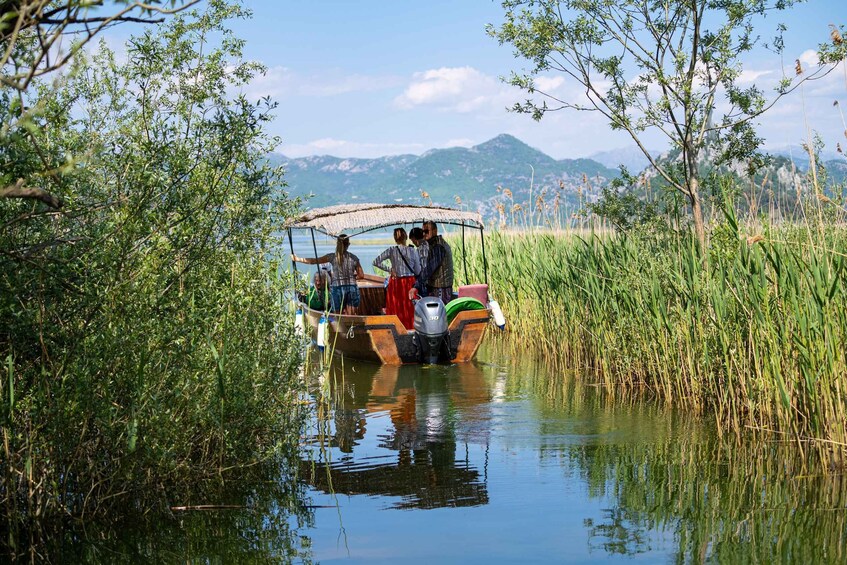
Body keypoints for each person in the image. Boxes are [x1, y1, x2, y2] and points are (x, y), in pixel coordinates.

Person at [292, 234, 364, 314]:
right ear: (348, 244)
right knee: (351, 316)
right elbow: (361, 275)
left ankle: (337, 325)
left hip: (337, 288)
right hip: (351, 288)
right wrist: (353, 277)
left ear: (337, 244)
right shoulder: (354, 258)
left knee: (337, 316)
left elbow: (313, 261)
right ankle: (350, 325)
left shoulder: (332, 257)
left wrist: (297, 259)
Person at [373, 227, 420, 329]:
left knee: (396, 308)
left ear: (395, 238)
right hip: (410, 282)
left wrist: (390, 270)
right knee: (410, 308)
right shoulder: (412, 251)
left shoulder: (391, 250)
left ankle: (397, 329)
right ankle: (412, 328)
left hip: (396, 283)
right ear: (406, 237)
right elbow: (418, 270)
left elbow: (376, 262)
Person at [410, 220, 454, 304]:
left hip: (441, 288)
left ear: (435, 231)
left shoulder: (439, 247)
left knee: (438, 315)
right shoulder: (433, 245)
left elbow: (429, 269)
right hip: (437, 287)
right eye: (422, 231)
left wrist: (416, 286)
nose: (423, 234)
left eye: (426, 231)